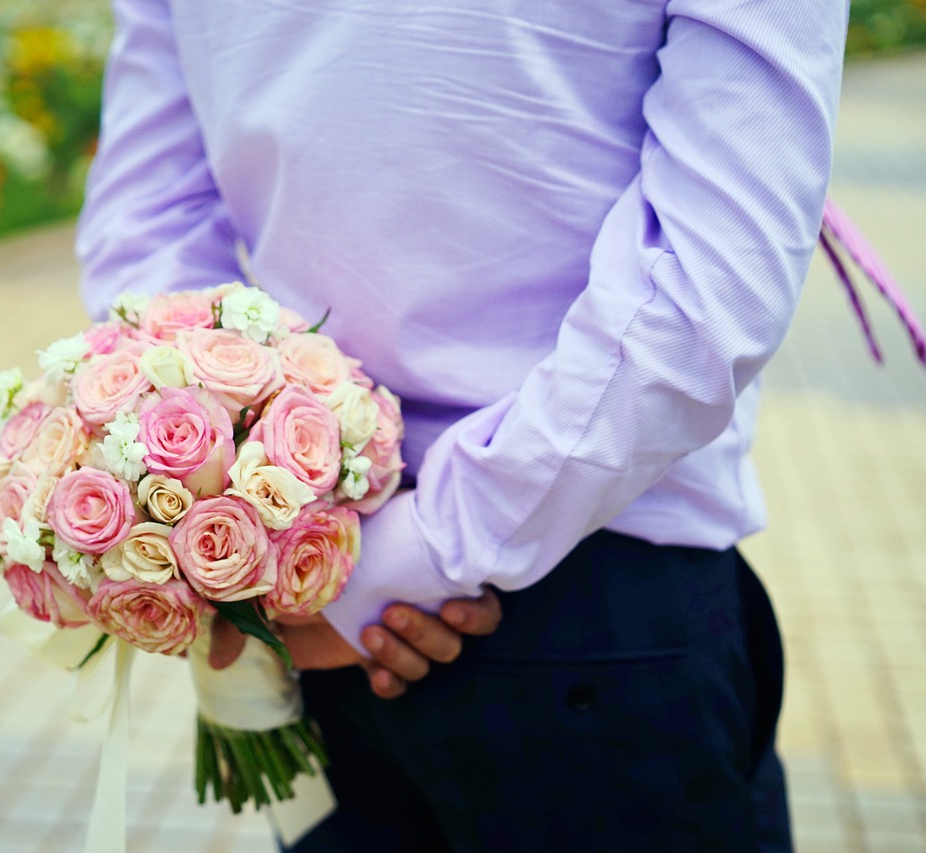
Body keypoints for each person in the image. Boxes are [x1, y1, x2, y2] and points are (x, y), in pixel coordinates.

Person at [76, 1, 848, 849]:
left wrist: (277, 546)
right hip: (585, 604)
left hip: (326, 596)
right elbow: (706, 292)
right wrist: (367, 562)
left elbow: (147, 230)